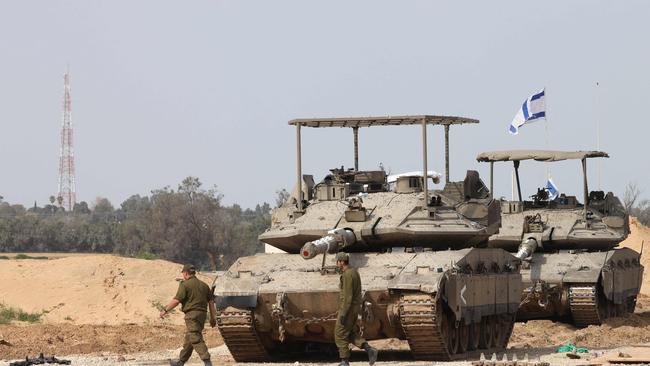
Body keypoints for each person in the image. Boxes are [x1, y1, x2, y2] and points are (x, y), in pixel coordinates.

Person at [160, 264, 216, 366]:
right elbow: (211, 303)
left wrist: (165, 310)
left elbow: (176, 300)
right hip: (202, 315)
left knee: (195, 337)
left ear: (185, 273)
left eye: (183, 273)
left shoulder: (185, 284)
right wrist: (213, 318)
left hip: (192, 315)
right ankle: (181, 362)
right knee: (189, 338)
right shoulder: (204, 285)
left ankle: (207, 361)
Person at [334, 252, 378, 366]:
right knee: (349, 333)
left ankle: (344, 361)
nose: (336, 264)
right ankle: (369, 349)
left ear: (342, 262)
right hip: (354, 308)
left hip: (348, 309)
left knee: (339, 333)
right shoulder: (354, 272)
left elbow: (348, 296)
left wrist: (343, 313)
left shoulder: (347, 274)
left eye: (337, 261)